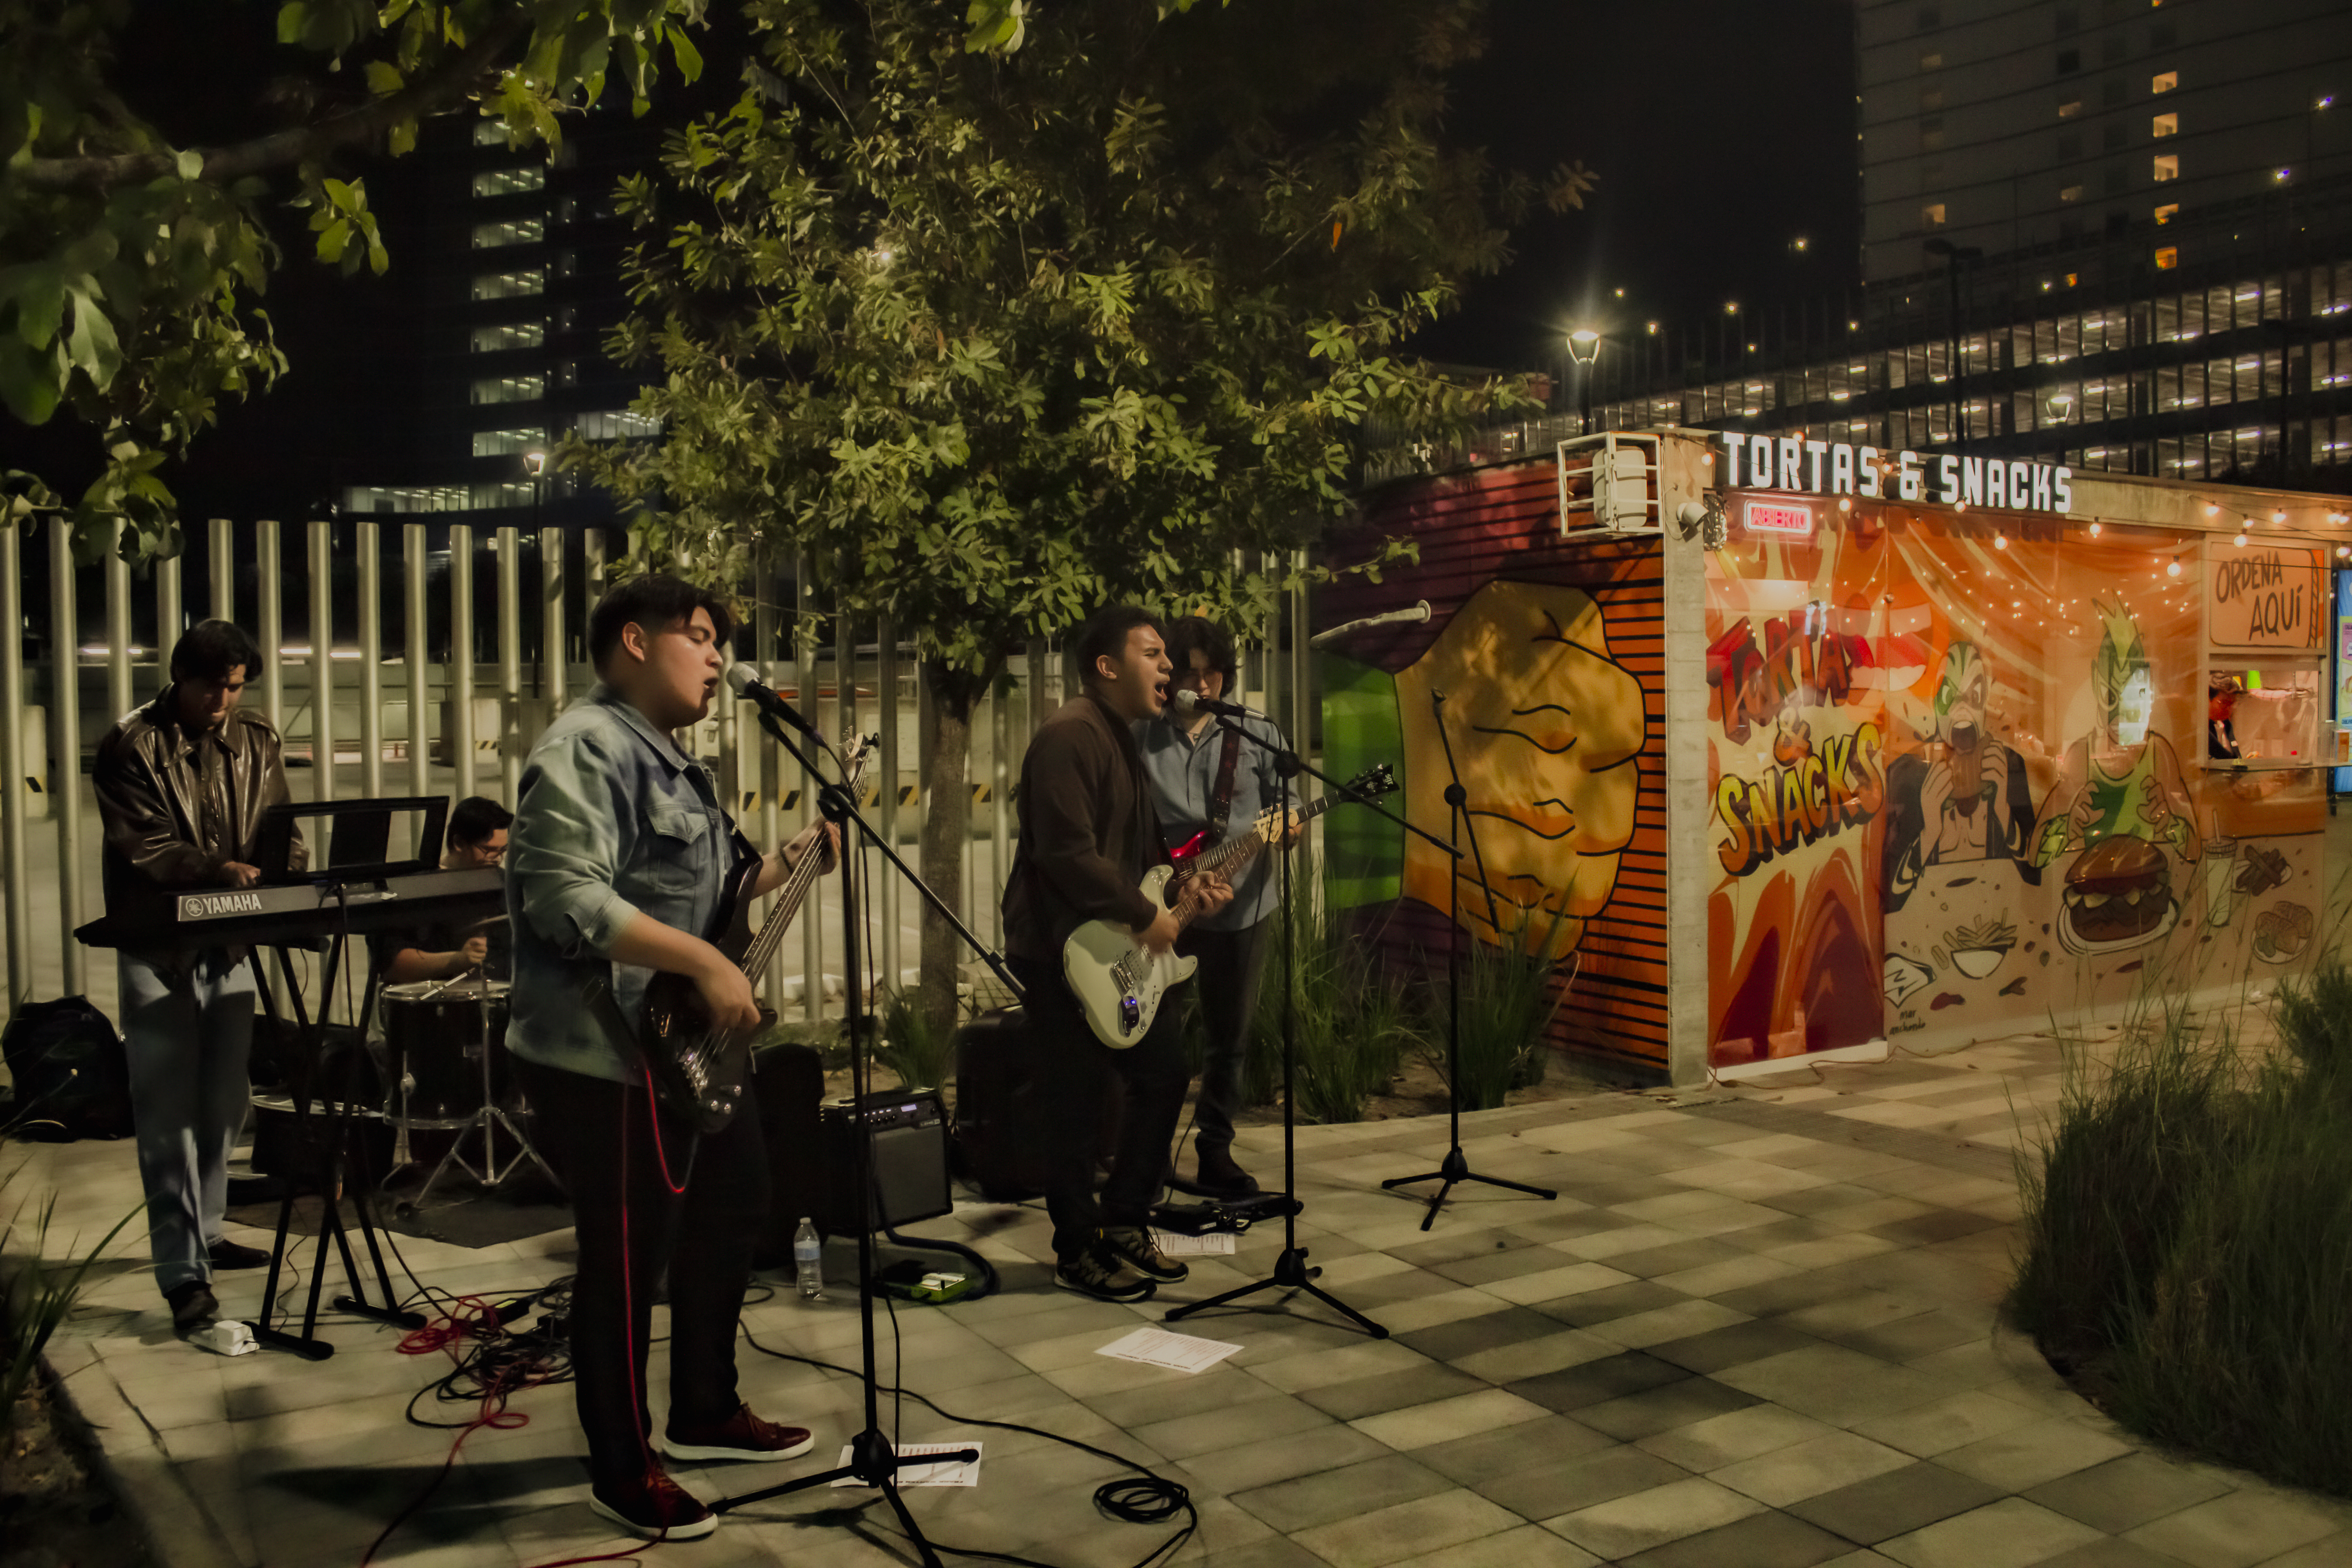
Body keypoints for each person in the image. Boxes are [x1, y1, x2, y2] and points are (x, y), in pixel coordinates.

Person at [505, 574, 838, 1541]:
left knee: (738, 1201)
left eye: (719, 641)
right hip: (598, 1054)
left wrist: (790, 861)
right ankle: (623, 1467)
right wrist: (701, 961)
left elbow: (720, 886)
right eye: (699, 636)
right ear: (634, 641)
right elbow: (563, 897)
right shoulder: (584, 748)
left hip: (673, 1049)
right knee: (623, 1259)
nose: (717, 656)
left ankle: (704, 1407)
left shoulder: (674, 764)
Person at [1001, 605, 1232, 1303]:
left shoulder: (1119, 738)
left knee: (1163, 1076)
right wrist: (1145, 917)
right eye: (1154, 655)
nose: (1171, 670)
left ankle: (1125, 1220)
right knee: (1074, 1104)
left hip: (1108, 949)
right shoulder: (1069, 736)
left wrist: (1185, 886)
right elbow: (1066, 853)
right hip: (1060, 952)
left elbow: (1137, 853)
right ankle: (1077, 1248)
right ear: (1107, 667)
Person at [94, 619, 303, 1334]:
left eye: (236, 688)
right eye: (212, 687)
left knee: (223, 1103)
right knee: (166, 1117)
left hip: (232, 941)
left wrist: (292, 870)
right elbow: (147, 845)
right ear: (180, 678)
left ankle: (209, 1230)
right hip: (161, 945)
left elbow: (278, 821)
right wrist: (216, 870)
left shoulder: (259, 738)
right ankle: (183, 1274)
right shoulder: (131, 745)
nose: (224, 701)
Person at [1135, 616, 1298, 1197]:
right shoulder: (1141, 736)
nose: (1203, 686)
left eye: (1214, 674)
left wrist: (1291, 826)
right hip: (1167, 908)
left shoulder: (1256, 731)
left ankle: (1214, 1150)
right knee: (1157, 1037)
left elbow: (1290, 805)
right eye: (1193, 674)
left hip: (1243, 909)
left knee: (1230, 1037)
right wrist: (1173, 884)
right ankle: (1146, 1157)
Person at [377, 795, 514, 984]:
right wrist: (457, 960)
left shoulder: (506, 882)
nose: (498, 859)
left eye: (503, 850)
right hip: (439, 1004)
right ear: (459, 844)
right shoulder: (416, 889)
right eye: (488, 850)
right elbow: (393, 967)